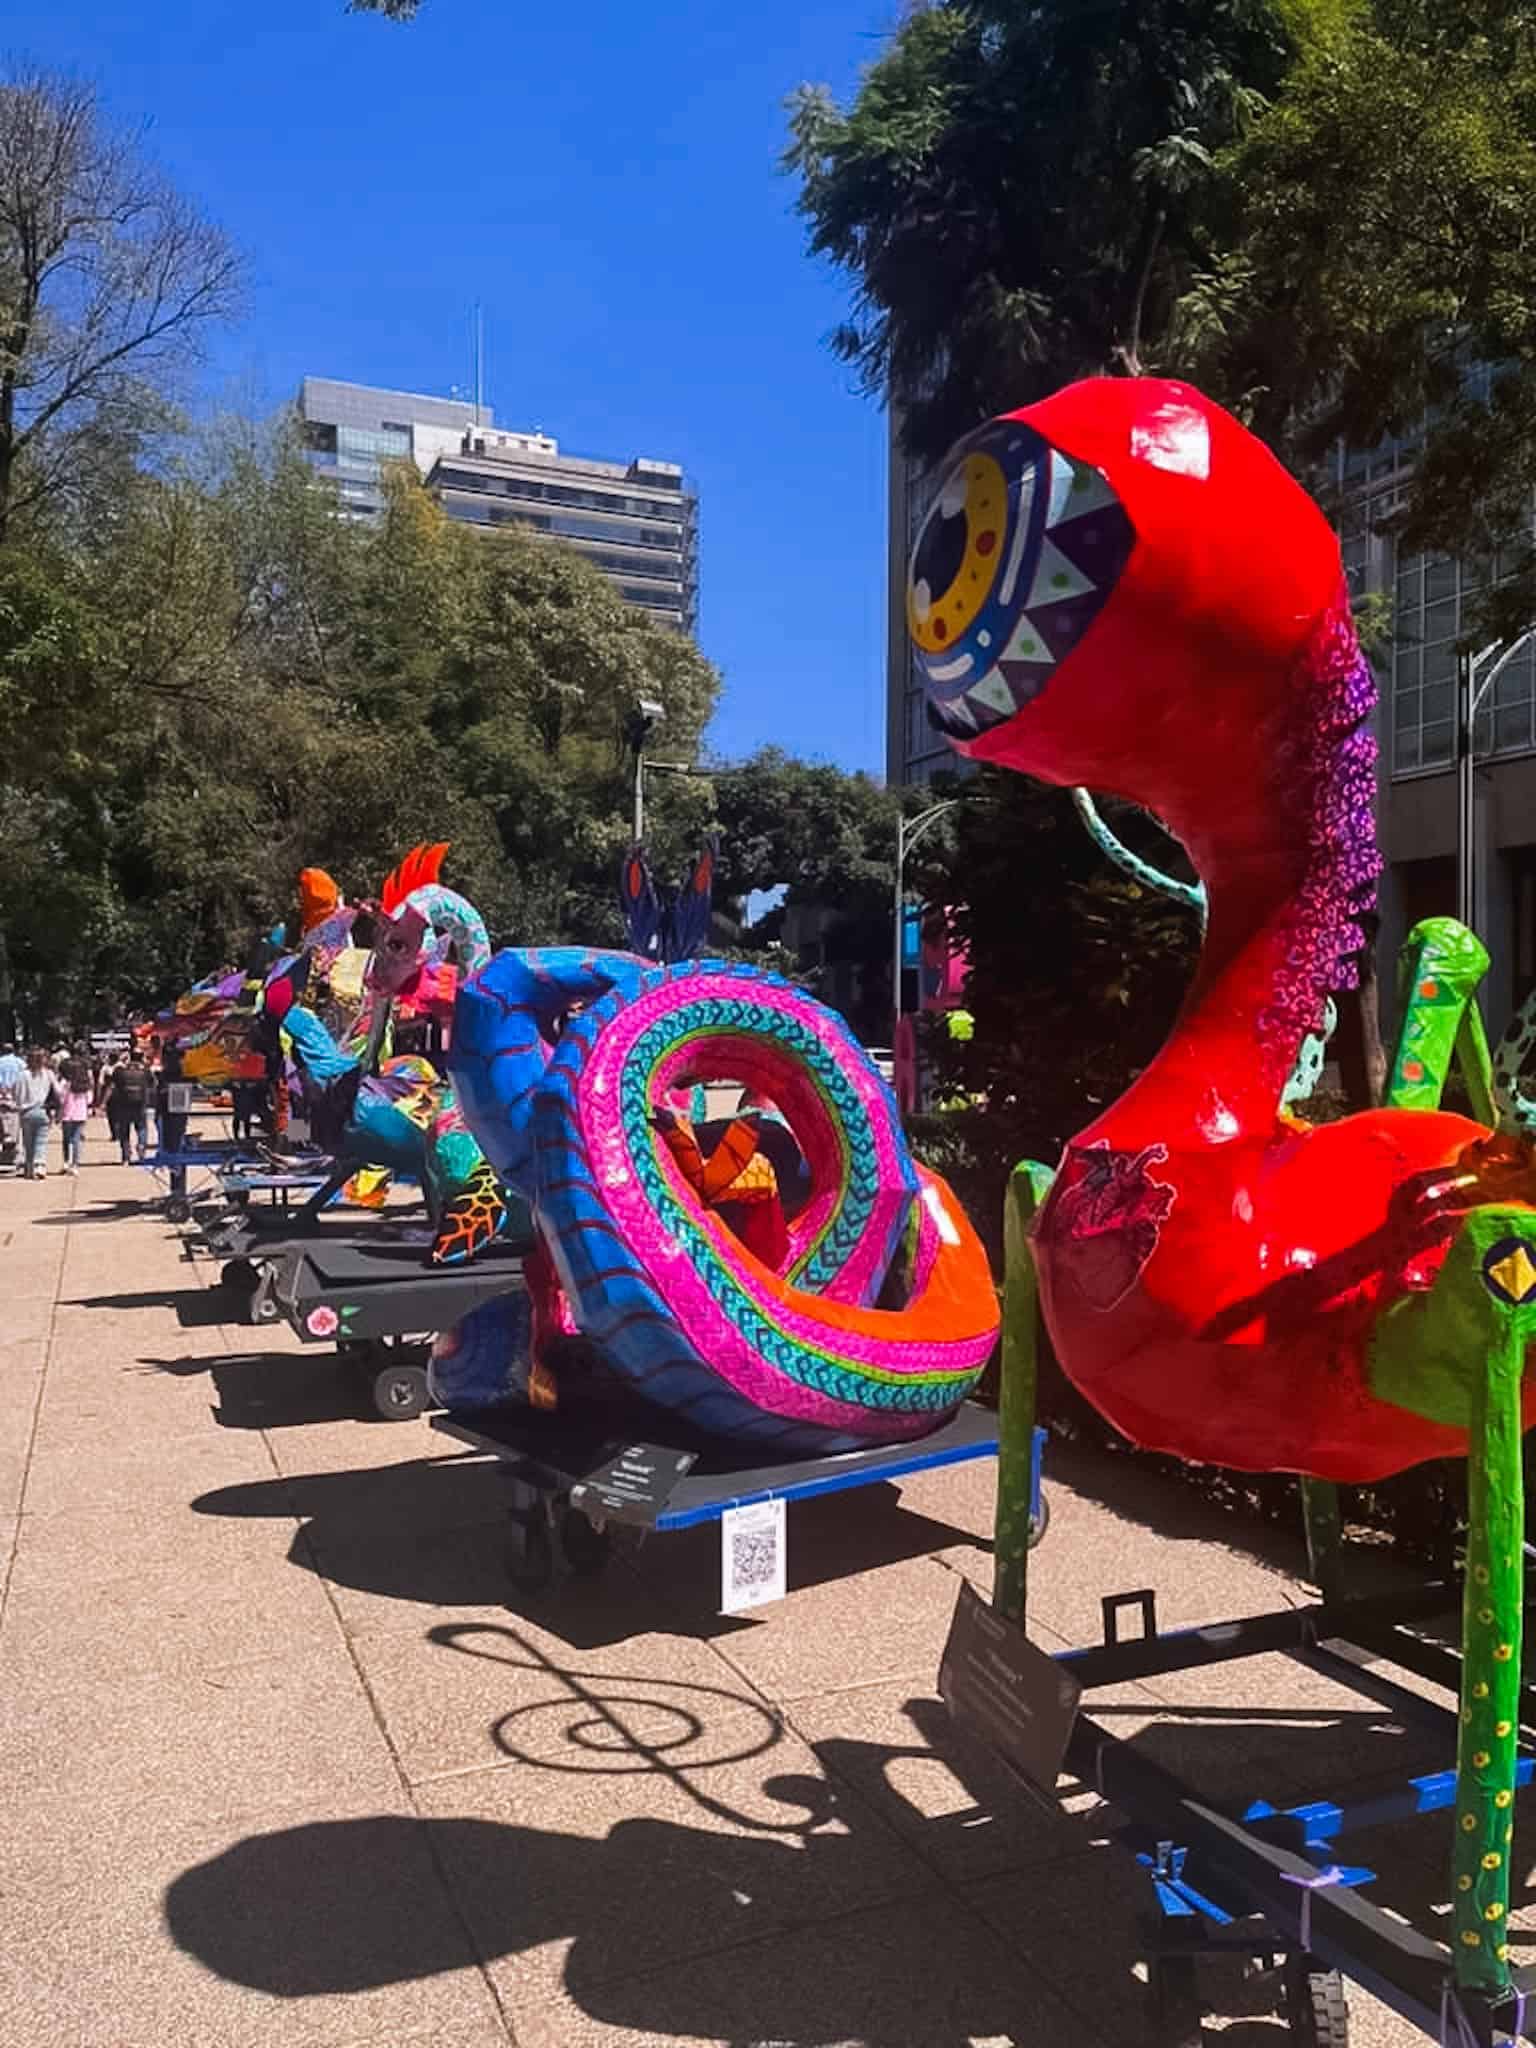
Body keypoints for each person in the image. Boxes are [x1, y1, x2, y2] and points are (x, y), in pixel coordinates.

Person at [15, 1047, 59, 1180]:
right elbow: (57, 1091)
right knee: (41, 1141)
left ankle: (29, 1168)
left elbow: (18, 1094)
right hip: (42, 1110)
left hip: (26, 1112)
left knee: (28, 1143)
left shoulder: (23, 1075)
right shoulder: (48, 1074)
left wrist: (19, 1106)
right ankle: (39, 1165)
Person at [107, 1049, 151, 1164]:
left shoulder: (120, 1070)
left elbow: (112, 1084)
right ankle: (141, 1147)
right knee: (141, 1128)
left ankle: (126, 1156)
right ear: (141, 1058)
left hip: (123, 1104)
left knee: (124, 1130)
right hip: (140, 1104)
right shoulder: (145, 1071)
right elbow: (152, 1083)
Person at [57, 1045, 94, 1176]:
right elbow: (89, 1099)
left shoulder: (65, 1082)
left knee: (66, 1139)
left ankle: (66, 1162)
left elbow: (60, 1097)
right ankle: (75, 1164)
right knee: (77, 1138)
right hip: (80, 1113)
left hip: (67, 1113)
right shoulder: (85, 1084)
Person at [0, 1041, 22, 1176]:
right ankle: (15, 1158)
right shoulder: (20, 1063)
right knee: (16, 1129)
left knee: (1, 1128)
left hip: (1, 1098)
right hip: (15, 1099)